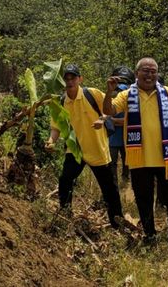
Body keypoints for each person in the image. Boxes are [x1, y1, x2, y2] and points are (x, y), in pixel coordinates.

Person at [103, 57, 168, 244]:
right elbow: (110, 111)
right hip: (140, 159)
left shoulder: (167, 93)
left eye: (153, 71)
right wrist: (109, 92)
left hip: (166, 158)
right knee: (144, 200)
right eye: (145, 70)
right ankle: (150, 235)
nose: (150, 74)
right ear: (137, 74)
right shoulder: (128, 95)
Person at [45, 64, 123, 228]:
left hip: (98, 150)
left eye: (73, 78)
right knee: (65, 181)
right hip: (75, 151)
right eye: (66, 78)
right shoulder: (60, 102)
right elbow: (56, 128)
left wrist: (102, 120)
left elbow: (110, 108)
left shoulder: (91, 94)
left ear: (80, 79)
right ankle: (65, 216)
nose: (69, 81)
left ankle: (118, 223)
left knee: (109, 190)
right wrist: (51, 141)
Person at [108, 66, 134, 184]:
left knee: (126, 164)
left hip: (125, 137)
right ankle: (118, 188)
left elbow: (130, 121)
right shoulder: (112, 94)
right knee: (115, 164)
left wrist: (112, 121)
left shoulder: (132, 96)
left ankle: (125, 187)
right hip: (114, 138)